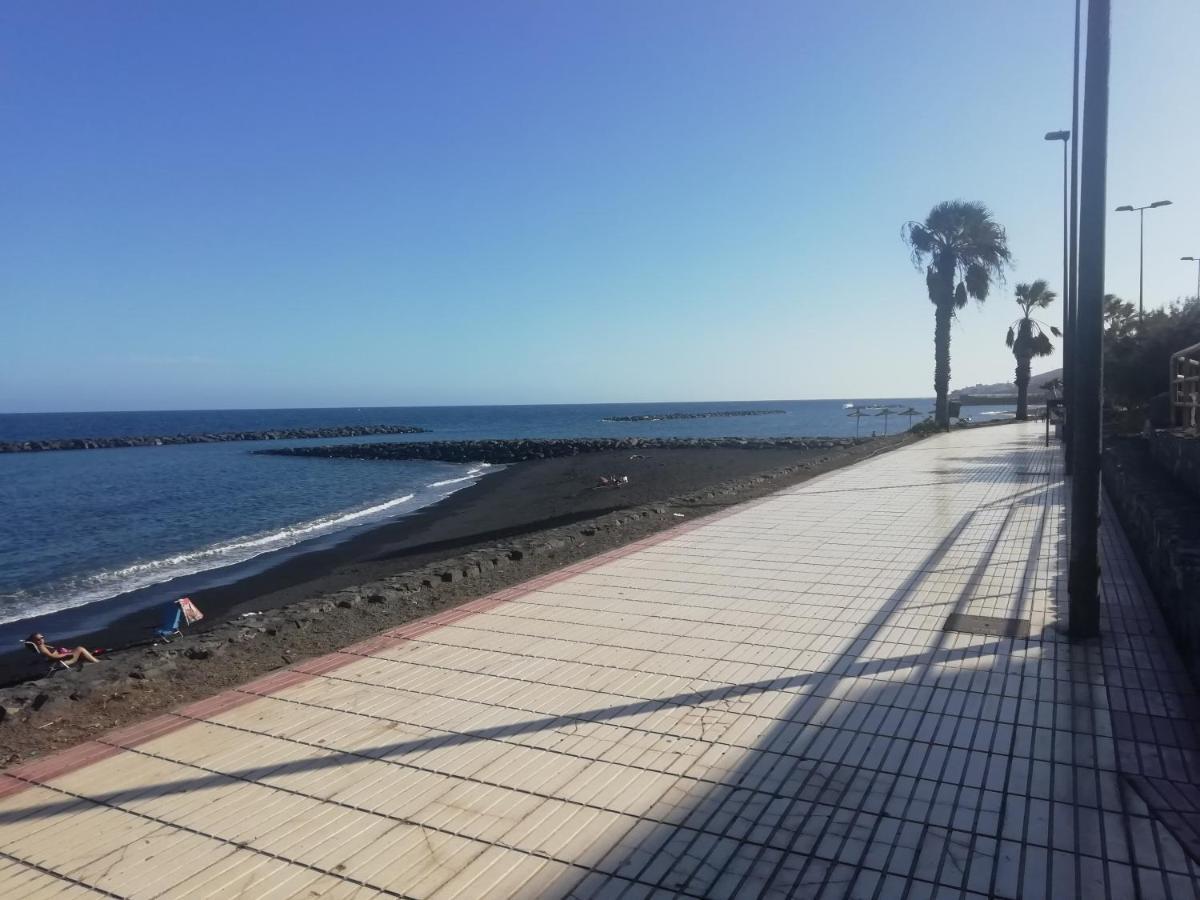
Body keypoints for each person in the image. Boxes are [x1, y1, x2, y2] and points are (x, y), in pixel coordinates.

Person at [26, 633, 101, 666]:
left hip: (61, 659)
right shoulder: (42, 649)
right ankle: (98, 662)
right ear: (35, 641)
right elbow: (53, 657)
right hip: (61, 662)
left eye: (42, 637)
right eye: (38, 639)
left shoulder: (42, 645)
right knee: (80, 648)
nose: (41, 640)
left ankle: (93, 660)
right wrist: (66, 654)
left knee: (80, 652)